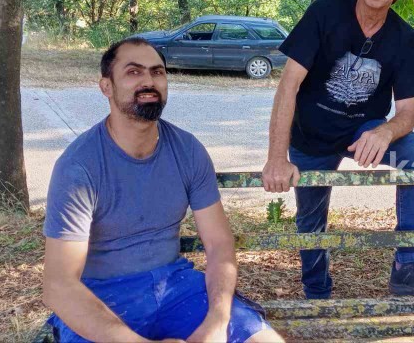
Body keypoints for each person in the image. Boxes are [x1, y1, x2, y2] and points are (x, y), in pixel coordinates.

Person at [42, 37, 282, 343]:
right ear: (106, 87)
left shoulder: (188, 150)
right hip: (101, 298)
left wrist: (217, 321)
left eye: (157, 72)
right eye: (133, 72)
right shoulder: (79, 167)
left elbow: (219, 244)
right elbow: (60, 285)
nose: (149, 81)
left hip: (177, 288)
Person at [262, 0, 414, 300]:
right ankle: (317, 294)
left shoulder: (406, 39)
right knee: (310, 222)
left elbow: (407, 113)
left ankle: (408, 264)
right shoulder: (323, 14)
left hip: (362, 132)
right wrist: (277, 158)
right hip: (310, 135)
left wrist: (385, 131)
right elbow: (288, 86)